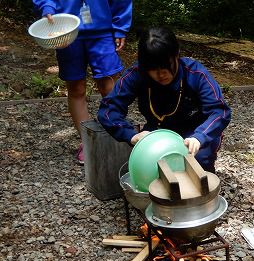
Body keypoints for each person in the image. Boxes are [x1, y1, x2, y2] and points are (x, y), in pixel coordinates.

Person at [97, 27, 231, 173]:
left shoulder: (195, 74)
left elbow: (219, 111)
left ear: (177, 55)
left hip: (194, 133)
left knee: (196, 163)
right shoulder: (137, 74)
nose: (161, 74)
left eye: (166, 67)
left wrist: (200, 137)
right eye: (153, 69)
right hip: (158, 132)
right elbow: (108, 109)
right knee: (149, 167)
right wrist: (132, 135)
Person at [32, 0, 132, 165]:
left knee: (108, 85)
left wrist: (120, 26)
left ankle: (117, 135)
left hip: (103, 30)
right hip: (65, 29)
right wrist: (47, 6)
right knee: (76, 88)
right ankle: (88, 142)